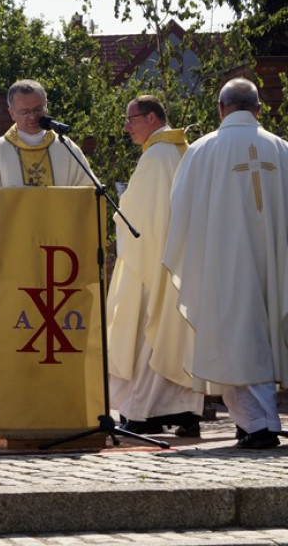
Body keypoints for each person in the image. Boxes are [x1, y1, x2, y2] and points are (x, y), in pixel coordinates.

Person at [163, 77, 288, 450]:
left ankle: (258, 425)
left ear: (220, 109)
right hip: (276, 264)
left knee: (233, 338)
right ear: (258, 110)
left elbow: (179, 210)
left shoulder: (202, 151)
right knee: (258, 335)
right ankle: (254, 422)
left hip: (221, 264)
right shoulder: (282, 150)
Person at [0, 79, 95, 385]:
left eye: (38, 109)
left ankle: (60, 393)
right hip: (15, 265)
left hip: (62, 265)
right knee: (19, 332)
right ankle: (17, 395)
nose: (32, 117)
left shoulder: (67, 148)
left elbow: (89, 195)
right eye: (24, 112)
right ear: (10, 112)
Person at [107, 96, 203, 437]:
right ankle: (186, 413)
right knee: (177, 335)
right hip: (182, 262)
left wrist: (119, 211)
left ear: (151, 117)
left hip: (153, 263)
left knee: (146, 332)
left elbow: (139, 219)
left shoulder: (156, 156)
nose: (126, 127)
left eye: (130, 119)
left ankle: (144, 413)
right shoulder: (183, 151)